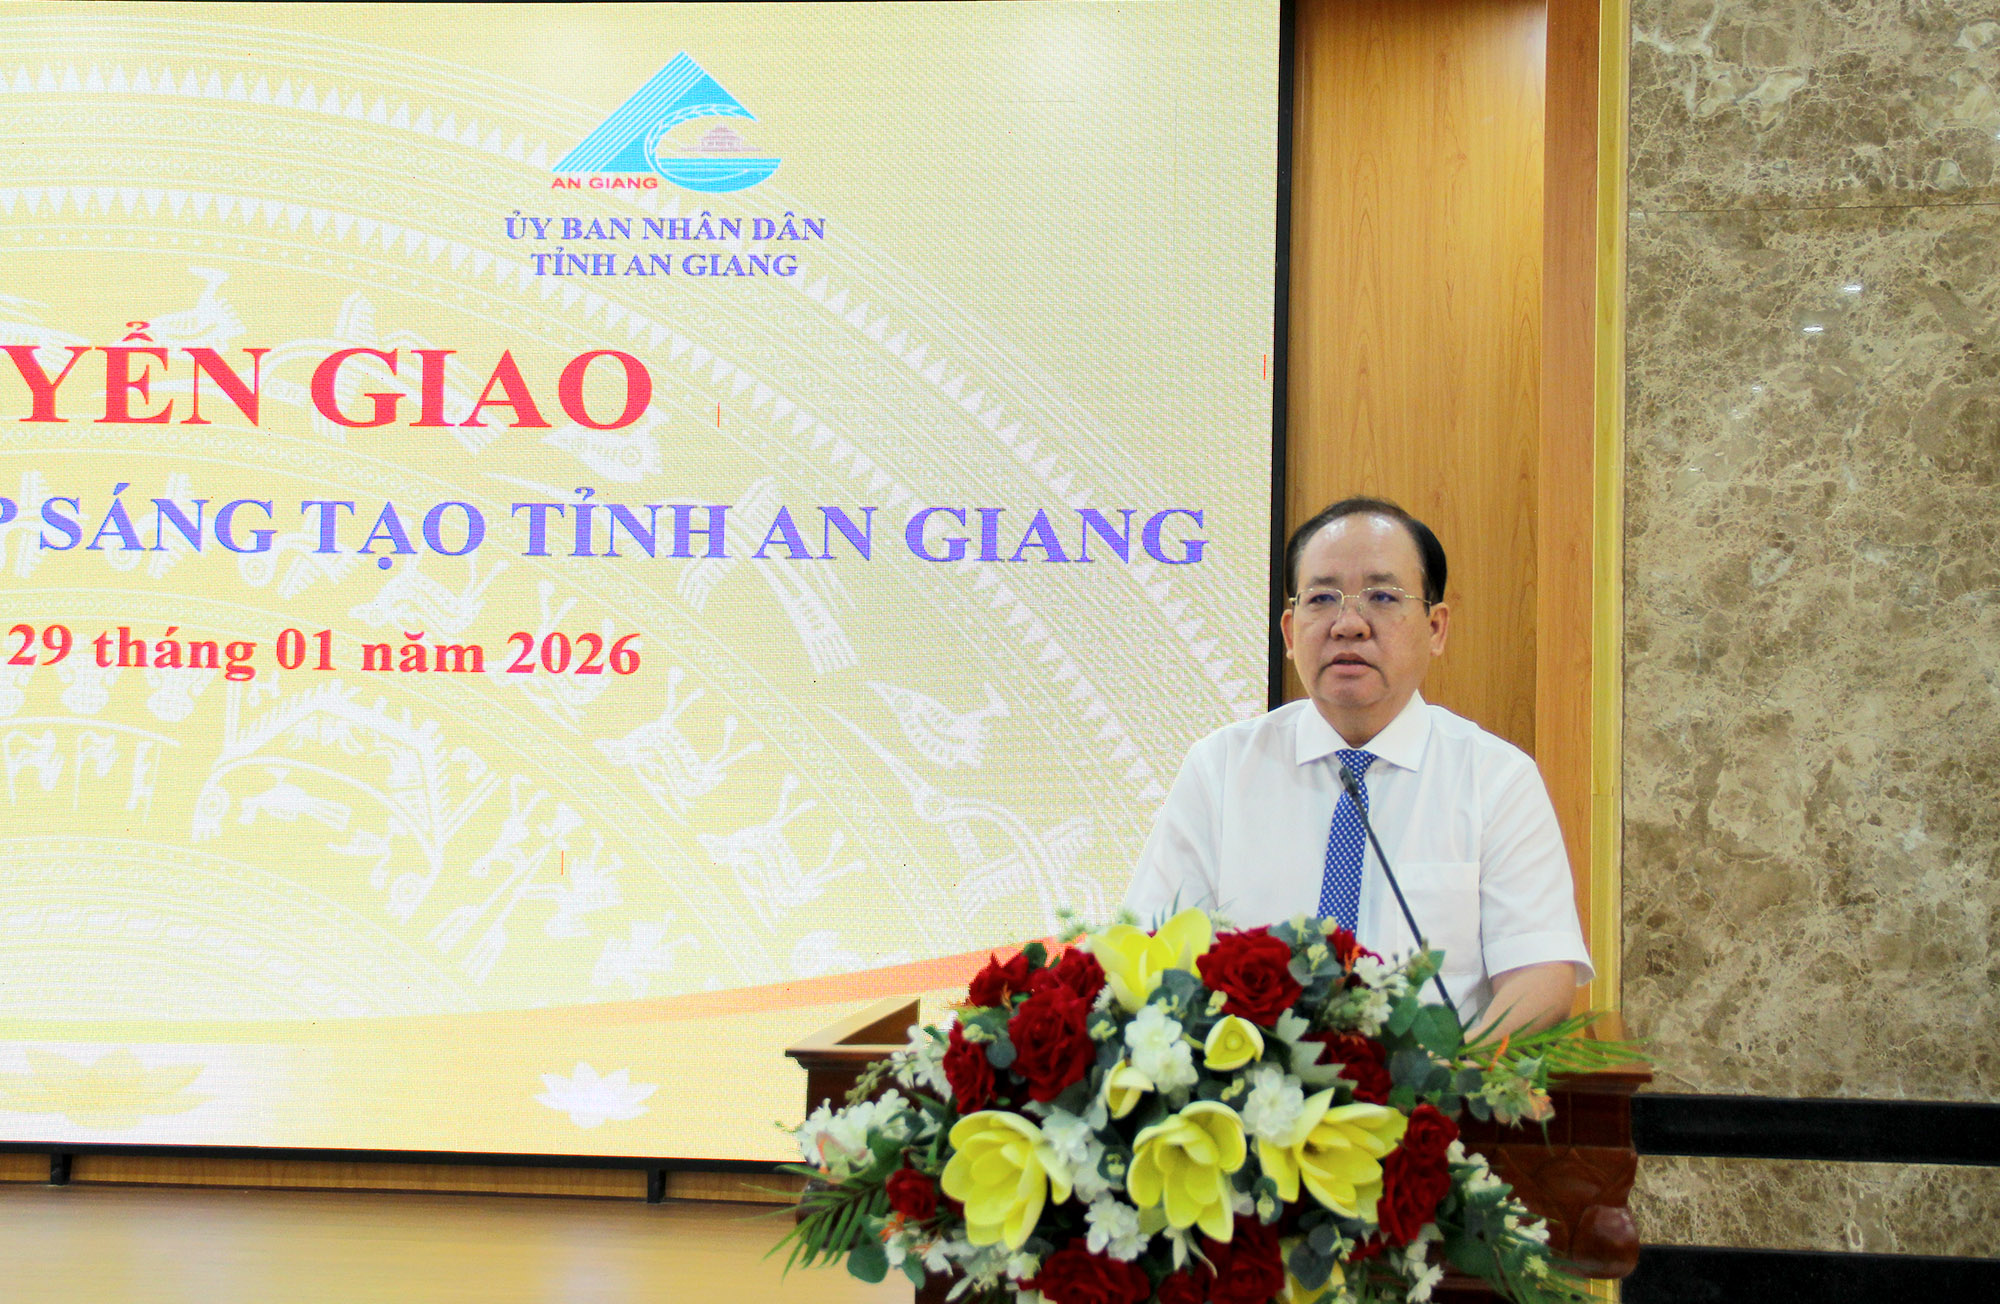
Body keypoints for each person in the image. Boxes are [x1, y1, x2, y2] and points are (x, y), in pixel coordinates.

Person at [1124, 497, 1591, 1037]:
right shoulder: (1221, 768)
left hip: (1434, 1084)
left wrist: (1452, 1071)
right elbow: (1148, 952)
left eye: (1383, 597)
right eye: (1322, 599)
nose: (1348, 625)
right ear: (1290, 632)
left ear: (1436, 629)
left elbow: (1541, 974)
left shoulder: (1496, 779)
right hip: (1253, 1083)